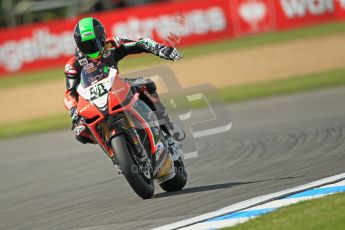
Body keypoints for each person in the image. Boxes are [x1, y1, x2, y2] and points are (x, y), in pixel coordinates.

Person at [64, 17, 185, 144]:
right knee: (80, 132)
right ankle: (114, 153)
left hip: (117, 89)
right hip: (92, 101)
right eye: (85, 45)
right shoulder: (73, 64)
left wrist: (161, 49)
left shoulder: (112, 44)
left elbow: (140, 44)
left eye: (94, 43)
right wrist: (73, 110)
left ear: (102, 37)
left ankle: (167, 132)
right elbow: (69, 93)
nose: (90, 48)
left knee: (145, 84)